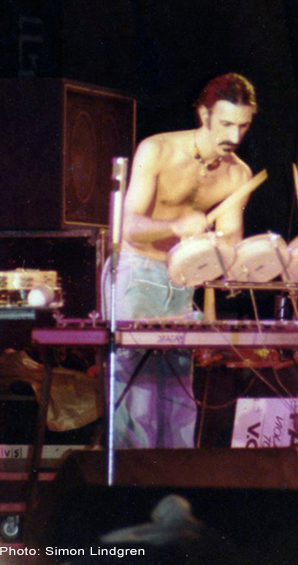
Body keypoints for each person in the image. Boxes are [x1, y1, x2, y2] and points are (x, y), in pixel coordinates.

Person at [104, 73, 258, 448]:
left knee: (178, 403)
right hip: (137, 272)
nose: (234, 137)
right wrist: (176, 224)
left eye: (243, 126)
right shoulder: (157, 150)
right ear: (203, 115)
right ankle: (127, 495)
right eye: (225, 124)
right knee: (136, 401)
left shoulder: (238, 173)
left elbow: (230, 244)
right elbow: (126, 225)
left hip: (180, 281)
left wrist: (257, 255)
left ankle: (176, 495)